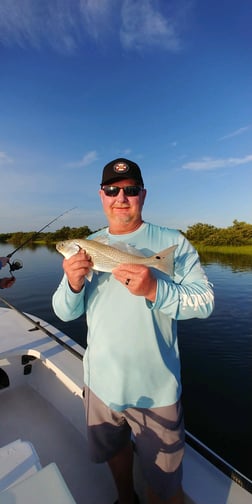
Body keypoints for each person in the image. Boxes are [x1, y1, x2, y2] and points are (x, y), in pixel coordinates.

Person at [52, 158, 214, 504]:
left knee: (167, 483)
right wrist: (73, 281)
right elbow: (64, 313)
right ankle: (126, 498)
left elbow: (205, 302)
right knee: (115, 452)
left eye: (130, 190)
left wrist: (156, 290)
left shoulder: (174, 243)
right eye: (112, 190)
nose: (120, 197)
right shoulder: (87, 245)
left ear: (143, 194)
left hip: (156, 390)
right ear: (101, 195)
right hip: (101, 385)